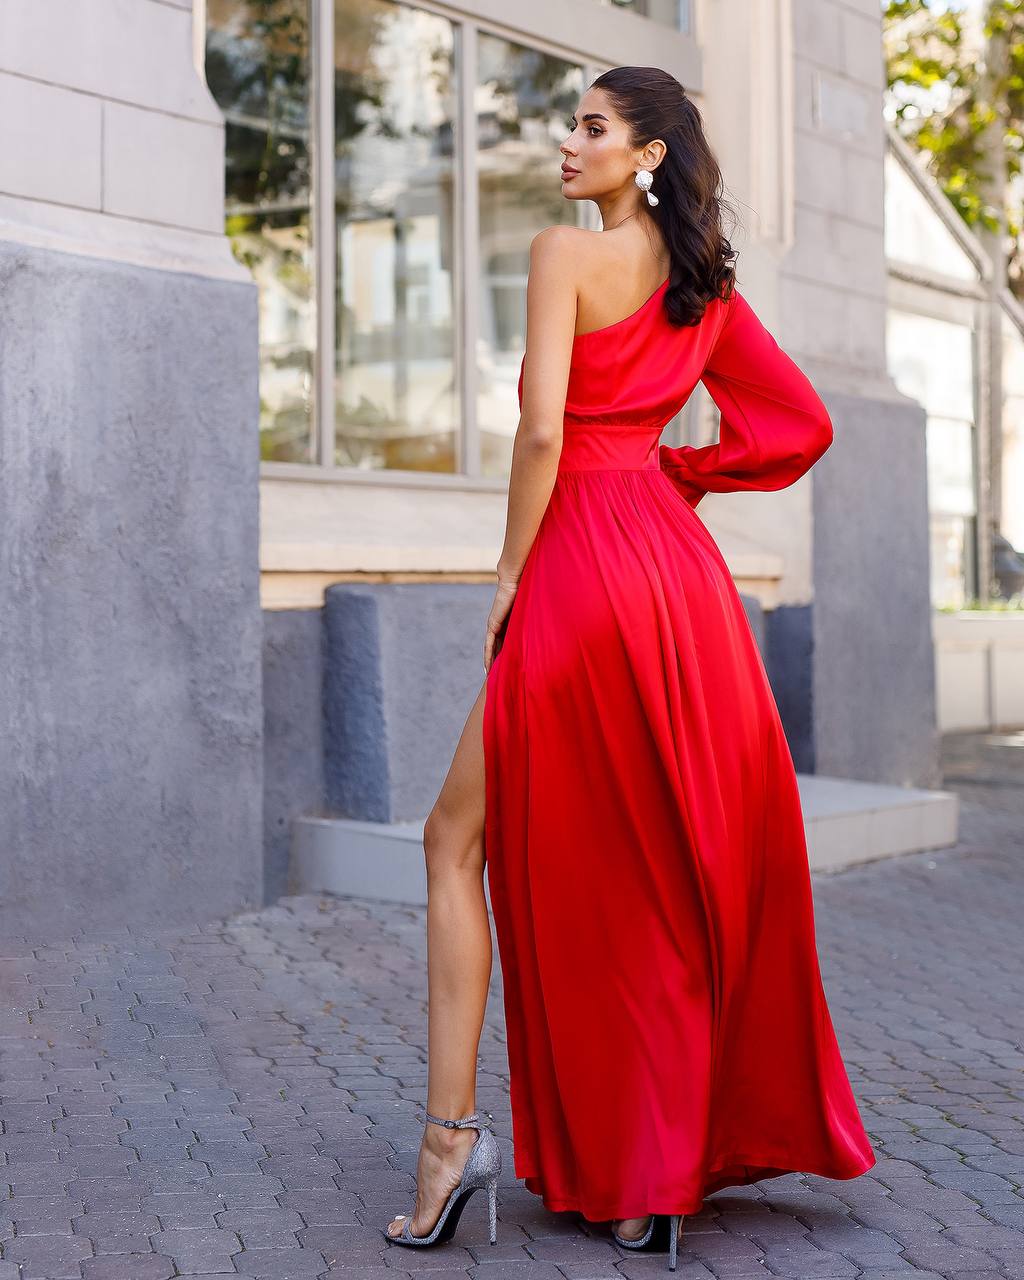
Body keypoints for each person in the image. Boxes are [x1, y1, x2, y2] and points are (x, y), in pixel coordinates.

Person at [382, 64, 876, 1268]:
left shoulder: (564, 255)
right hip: (675, 581)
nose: (567, 140)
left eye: (592, 124)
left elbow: (544, 429)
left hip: (577, 571)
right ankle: (641, 1177)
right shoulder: (702, 286)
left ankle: (451, 1149)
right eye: (572, 122)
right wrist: (681, 475)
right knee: (649, 864)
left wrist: (506, 574)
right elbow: (798, 423)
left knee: (457, 842)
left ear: (646, 151)